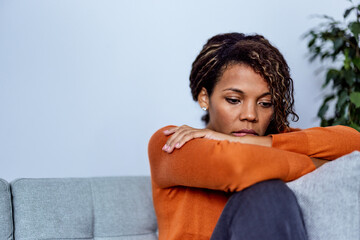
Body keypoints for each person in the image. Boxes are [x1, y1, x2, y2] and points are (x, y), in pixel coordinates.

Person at [147, 33, 360, 240]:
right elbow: (237, 167)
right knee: (267, 192)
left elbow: (354, 142)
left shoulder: (271, 144)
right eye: (233, 99)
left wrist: (248, 141)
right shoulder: (172, 143)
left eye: (265, 104)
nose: (250, 115)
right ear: (205, 97)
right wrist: (319, 164)